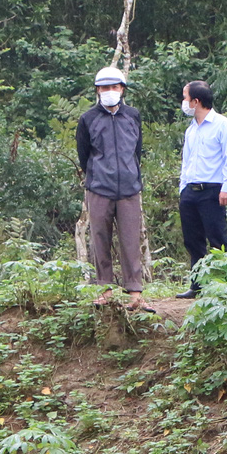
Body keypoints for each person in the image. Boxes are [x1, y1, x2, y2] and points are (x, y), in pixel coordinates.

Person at [75, 65, 147, 309]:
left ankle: (135, 292)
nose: (110, 91)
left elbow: (137, 151)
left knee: (130, 240)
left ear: (122, 89)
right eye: (105, 87)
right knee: (100, 239)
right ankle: (104, 288)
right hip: (99, 188)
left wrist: (131, 175)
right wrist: (96, 177)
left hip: (129, 188)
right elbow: (84, 155)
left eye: (114, 87)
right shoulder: (88, 119)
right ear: (97, 90)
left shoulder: (133, 115)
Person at [175, 80, 227, 298]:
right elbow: (187, 161)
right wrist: (183, 188)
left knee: (217, 238)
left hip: (213, 189)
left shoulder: (223, 125)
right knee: (193, 240)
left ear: (196, 101)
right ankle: (198, 284)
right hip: (190, 190)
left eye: (185, 97)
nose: (184, 102)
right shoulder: (191, 129)